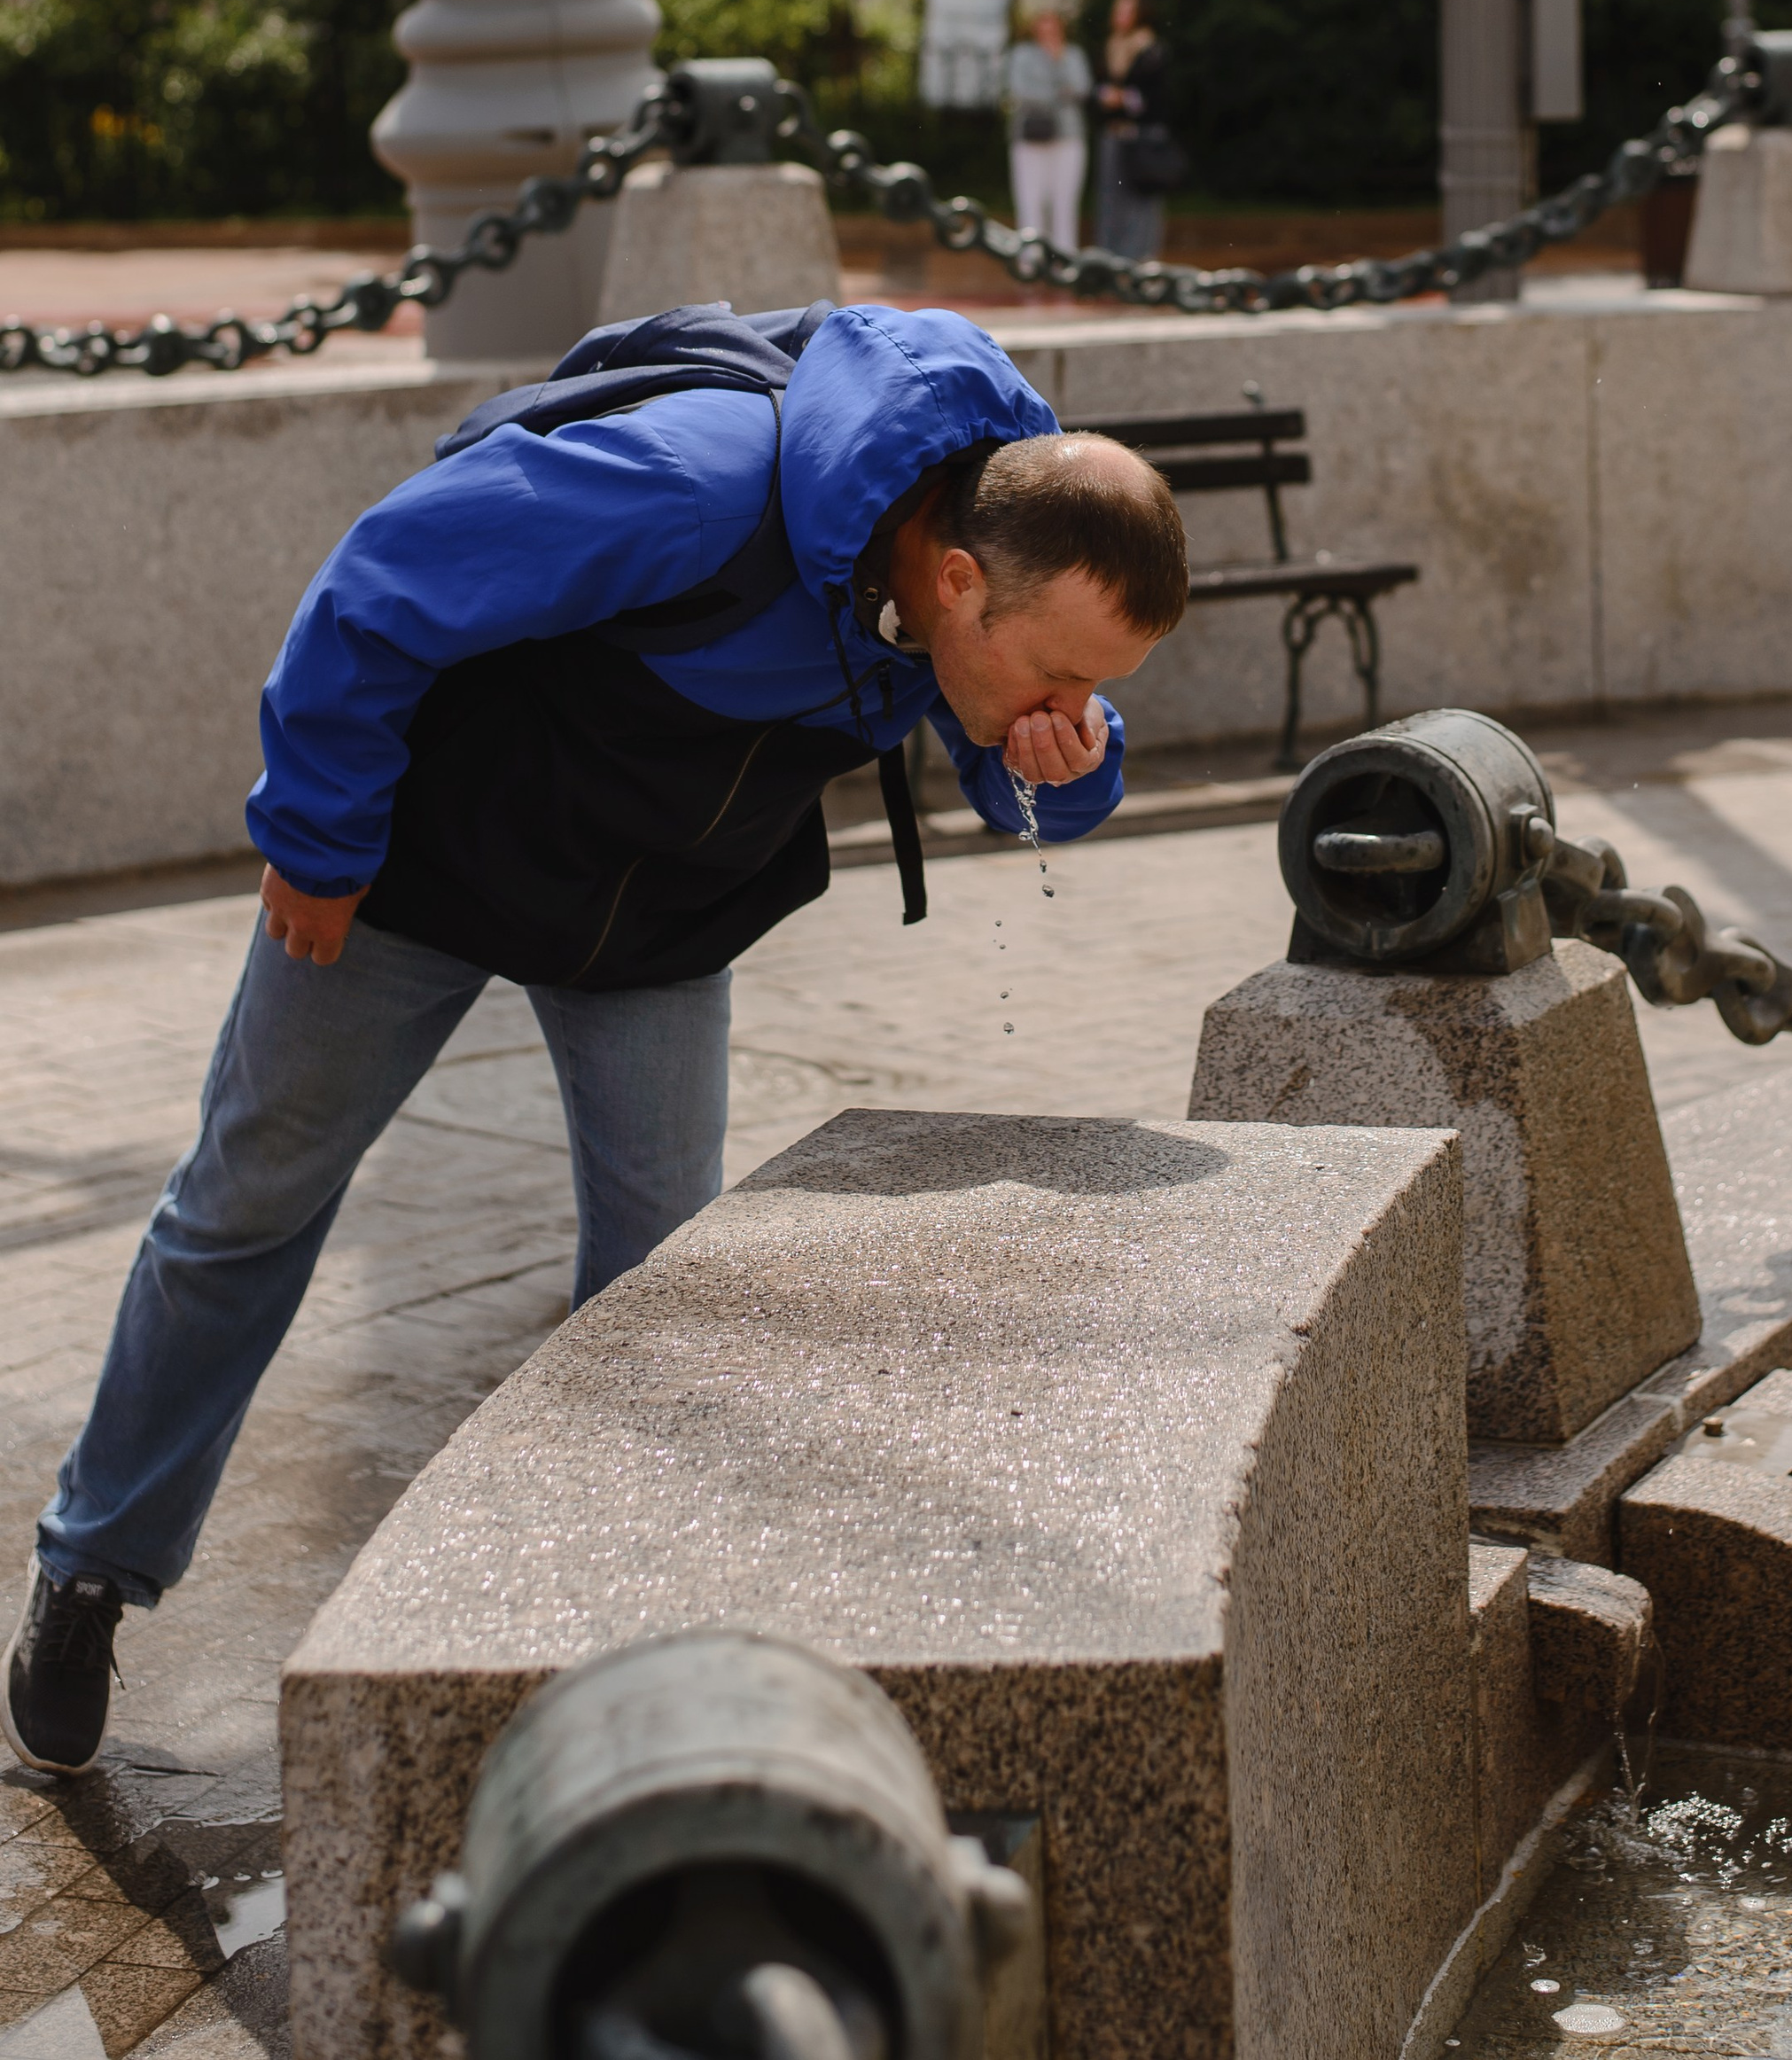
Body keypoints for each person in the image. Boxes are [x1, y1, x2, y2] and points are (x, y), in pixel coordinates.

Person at [5, 300, 1188, 1777]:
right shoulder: (695, 482)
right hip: (412, 874)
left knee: (653, 1272)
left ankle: (606, 1630)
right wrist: (314, 842)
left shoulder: (984, 578)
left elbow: (1028, 766)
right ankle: (94, 1566)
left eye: (1095, 694)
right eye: (1057, 683)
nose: (1070, 708)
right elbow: (382, 580)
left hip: (658, 919)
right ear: (955, 582)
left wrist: (1061, 768)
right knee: (249, 1202)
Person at [1001, 6, 1092, 254]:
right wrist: (1059, 94)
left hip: (1067, 137)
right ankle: (1031, 257)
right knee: (1030, 201)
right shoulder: (1022, 55)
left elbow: (1082, 88)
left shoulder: (1072, 55)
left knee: (1065, 203)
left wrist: (1057, 62)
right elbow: (1020, 91)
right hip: (1030, 136)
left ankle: (1064, 256)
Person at [1095, 0, 1174, 263]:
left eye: (1127, 10)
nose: (1120, 16)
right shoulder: (1111, 46)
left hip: (1143, 137)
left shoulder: (1151, 48)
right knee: (1111, 200)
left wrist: (1125, 99)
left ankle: (1141, 260)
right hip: (1115, 135)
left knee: (1142, 204)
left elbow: (1157, 96)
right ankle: (1112, 261)